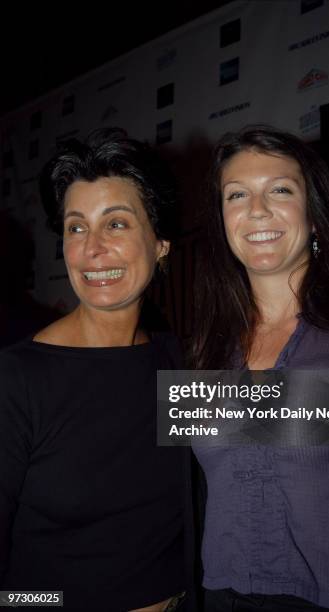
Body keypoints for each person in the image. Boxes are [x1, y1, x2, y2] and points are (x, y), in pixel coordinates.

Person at [190, 125, 329, 612]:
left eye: (281, 190)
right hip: (221, 598)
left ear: (315, 216)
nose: (258, 210)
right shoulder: (203, 350)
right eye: (237, 194)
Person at [0, 128, 189, 612]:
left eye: (117, 224)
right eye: (76, 227)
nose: (92, 248)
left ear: (161, 242)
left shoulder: (178, 364)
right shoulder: (18, 381)